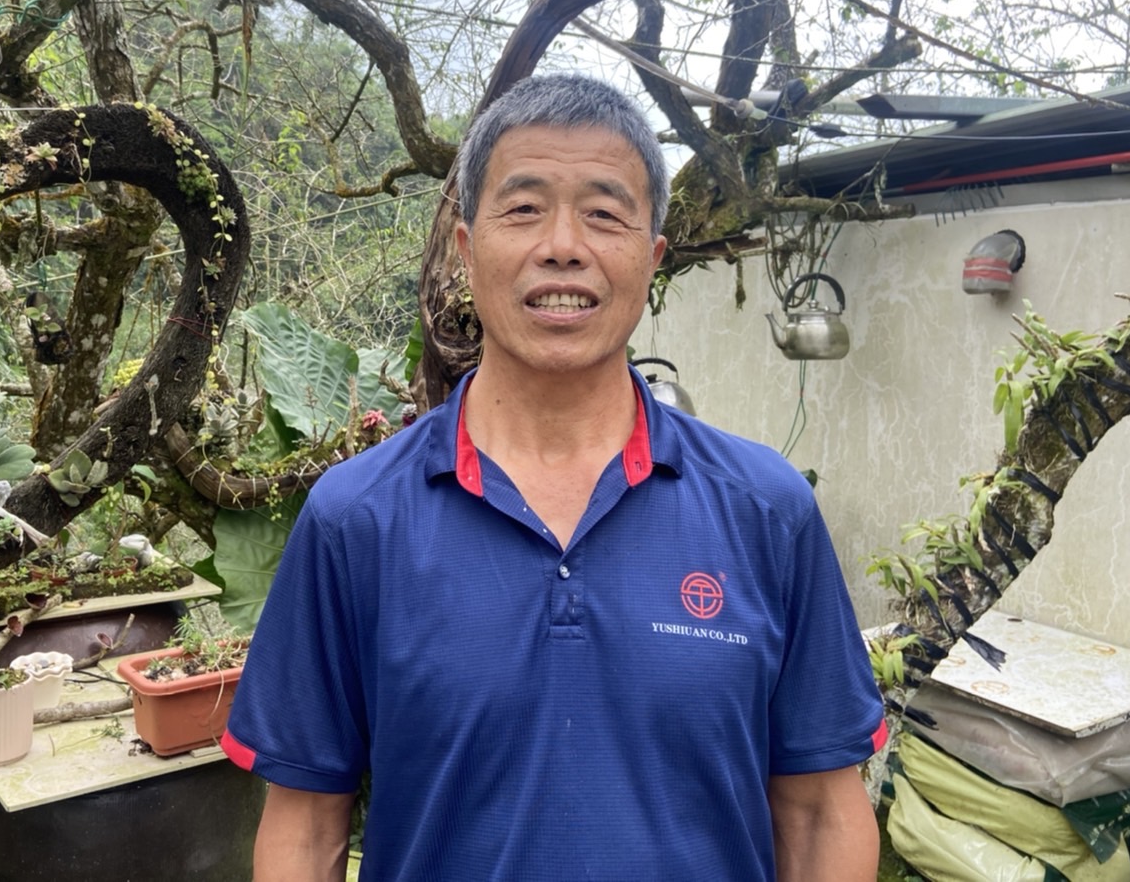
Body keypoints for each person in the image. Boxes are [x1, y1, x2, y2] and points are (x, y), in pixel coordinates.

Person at [222, 73, 887, 881]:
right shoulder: (356, 519)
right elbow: (304, 828)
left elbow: (819, 814)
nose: (563, 245)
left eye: (604, 214)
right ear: (466, 250)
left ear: (652, 258)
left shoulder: (766, 511)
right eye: (525, 208)